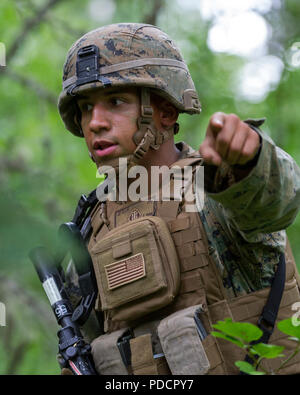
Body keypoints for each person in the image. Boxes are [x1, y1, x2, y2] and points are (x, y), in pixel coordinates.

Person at [57, 23, 300, 375]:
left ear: (166, 112)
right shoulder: (92, 229)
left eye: (115, 101)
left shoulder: (216, 189)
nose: (95, 122)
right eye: (84, 108)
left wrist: (251, 162)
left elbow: (276, 204)